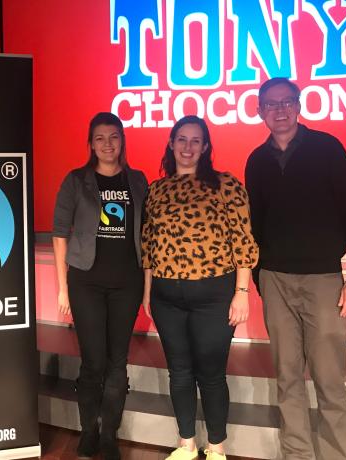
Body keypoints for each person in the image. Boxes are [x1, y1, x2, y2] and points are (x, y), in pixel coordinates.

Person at [244, 78, 346, 460]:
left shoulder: (327, 147)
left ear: (299, 105)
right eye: (270, 104)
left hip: (324, 281)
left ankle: (335, 455)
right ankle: (296, 454)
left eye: (287, 102)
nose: (279, 110)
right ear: (258, 110)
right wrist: (260, 277)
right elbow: (255, 224)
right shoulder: (256, 160)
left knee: (330, 379)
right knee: (287, 378)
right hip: (275, 281)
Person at [142, 115, 258, 460]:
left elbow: (244, 242)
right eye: (181, 139)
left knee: (210, 374)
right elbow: (149, 244)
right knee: (178, 371)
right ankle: (187, 444)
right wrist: (148, 292)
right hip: (166, 296)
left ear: (205, 147)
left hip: (215, 295)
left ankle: (217, 447)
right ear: (171, 143)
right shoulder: (156, 189)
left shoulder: (227, 185)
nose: (188, 147)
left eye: (195, 141)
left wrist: (242, 292)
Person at [52, 112, 148, 459]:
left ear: (122, 140)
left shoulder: (137, 180)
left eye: (114, 137)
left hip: (127, 283)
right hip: (86, 283)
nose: (108, 144)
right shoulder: (76, 180)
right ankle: (88, 430)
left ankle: (110, 433)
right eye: (100, 138)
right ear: (90, 144)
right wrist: (62, 288)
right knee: (93, 361)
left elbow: (146, 235)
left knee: (117, 362)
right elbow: (60, 234)